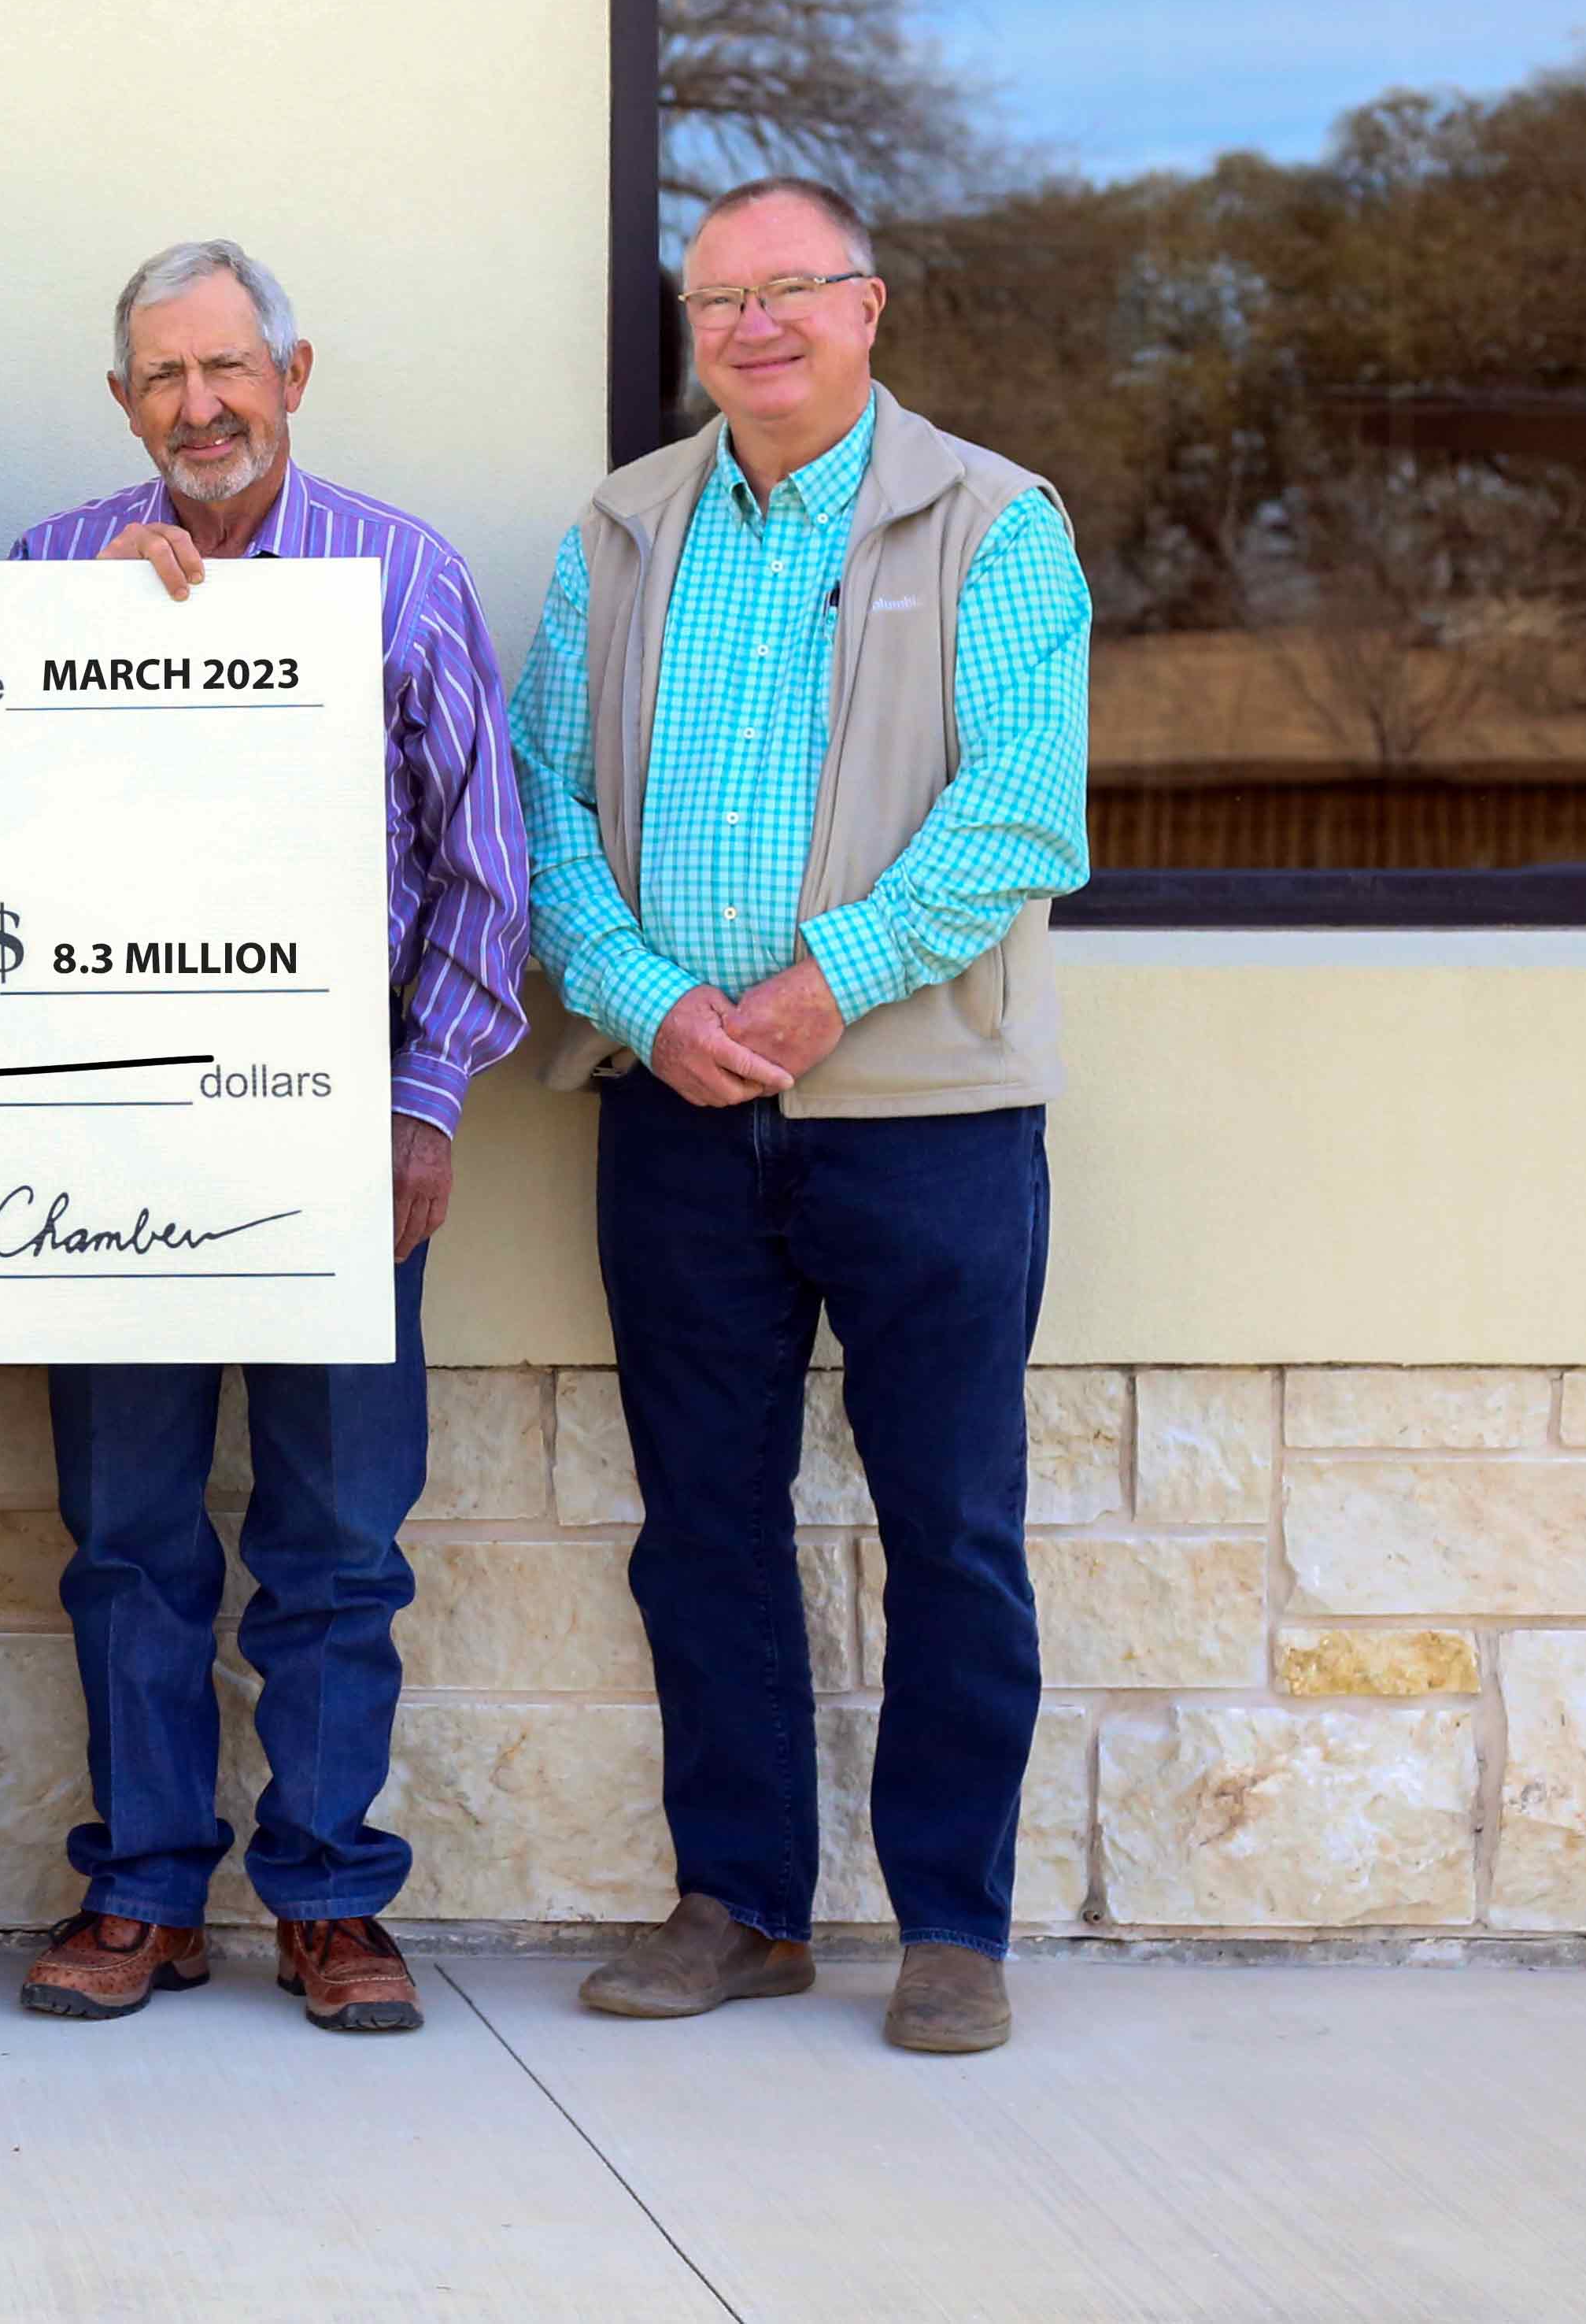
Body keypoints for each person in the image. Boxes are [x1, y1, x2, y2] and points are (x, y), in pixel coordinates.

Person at [509, 175, 1092, 2058]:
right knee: (703, 1527)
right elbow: (537, 810)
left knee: (950, 1528)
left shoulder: (995, 523)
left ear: (869, 308)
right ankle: (740, 1905)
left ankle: (950, 1927)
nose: (752, 327)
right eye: (717, 301)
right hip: (677, 1116)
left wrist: (822, 981)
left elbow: (1019, 808)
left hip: (922, 1116)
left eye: (791, 293)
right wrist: (644, 1000)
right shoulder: (621, 531)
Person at [9, 240, 527, 2031]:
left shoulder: (401, 571)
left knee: (331, 1542)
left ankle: (324, 1892)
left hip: (337, 1134)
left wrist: (424, 1104)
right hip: (110, 1137)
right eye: (162, 379)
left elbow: (483, 872)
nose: (199, 407)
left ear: (292, 375)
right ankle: (144, 1889)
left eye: (228, 370)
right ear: (122, 402)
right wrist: (89, 648)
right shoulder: (48, 571)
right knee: (128, 1533)